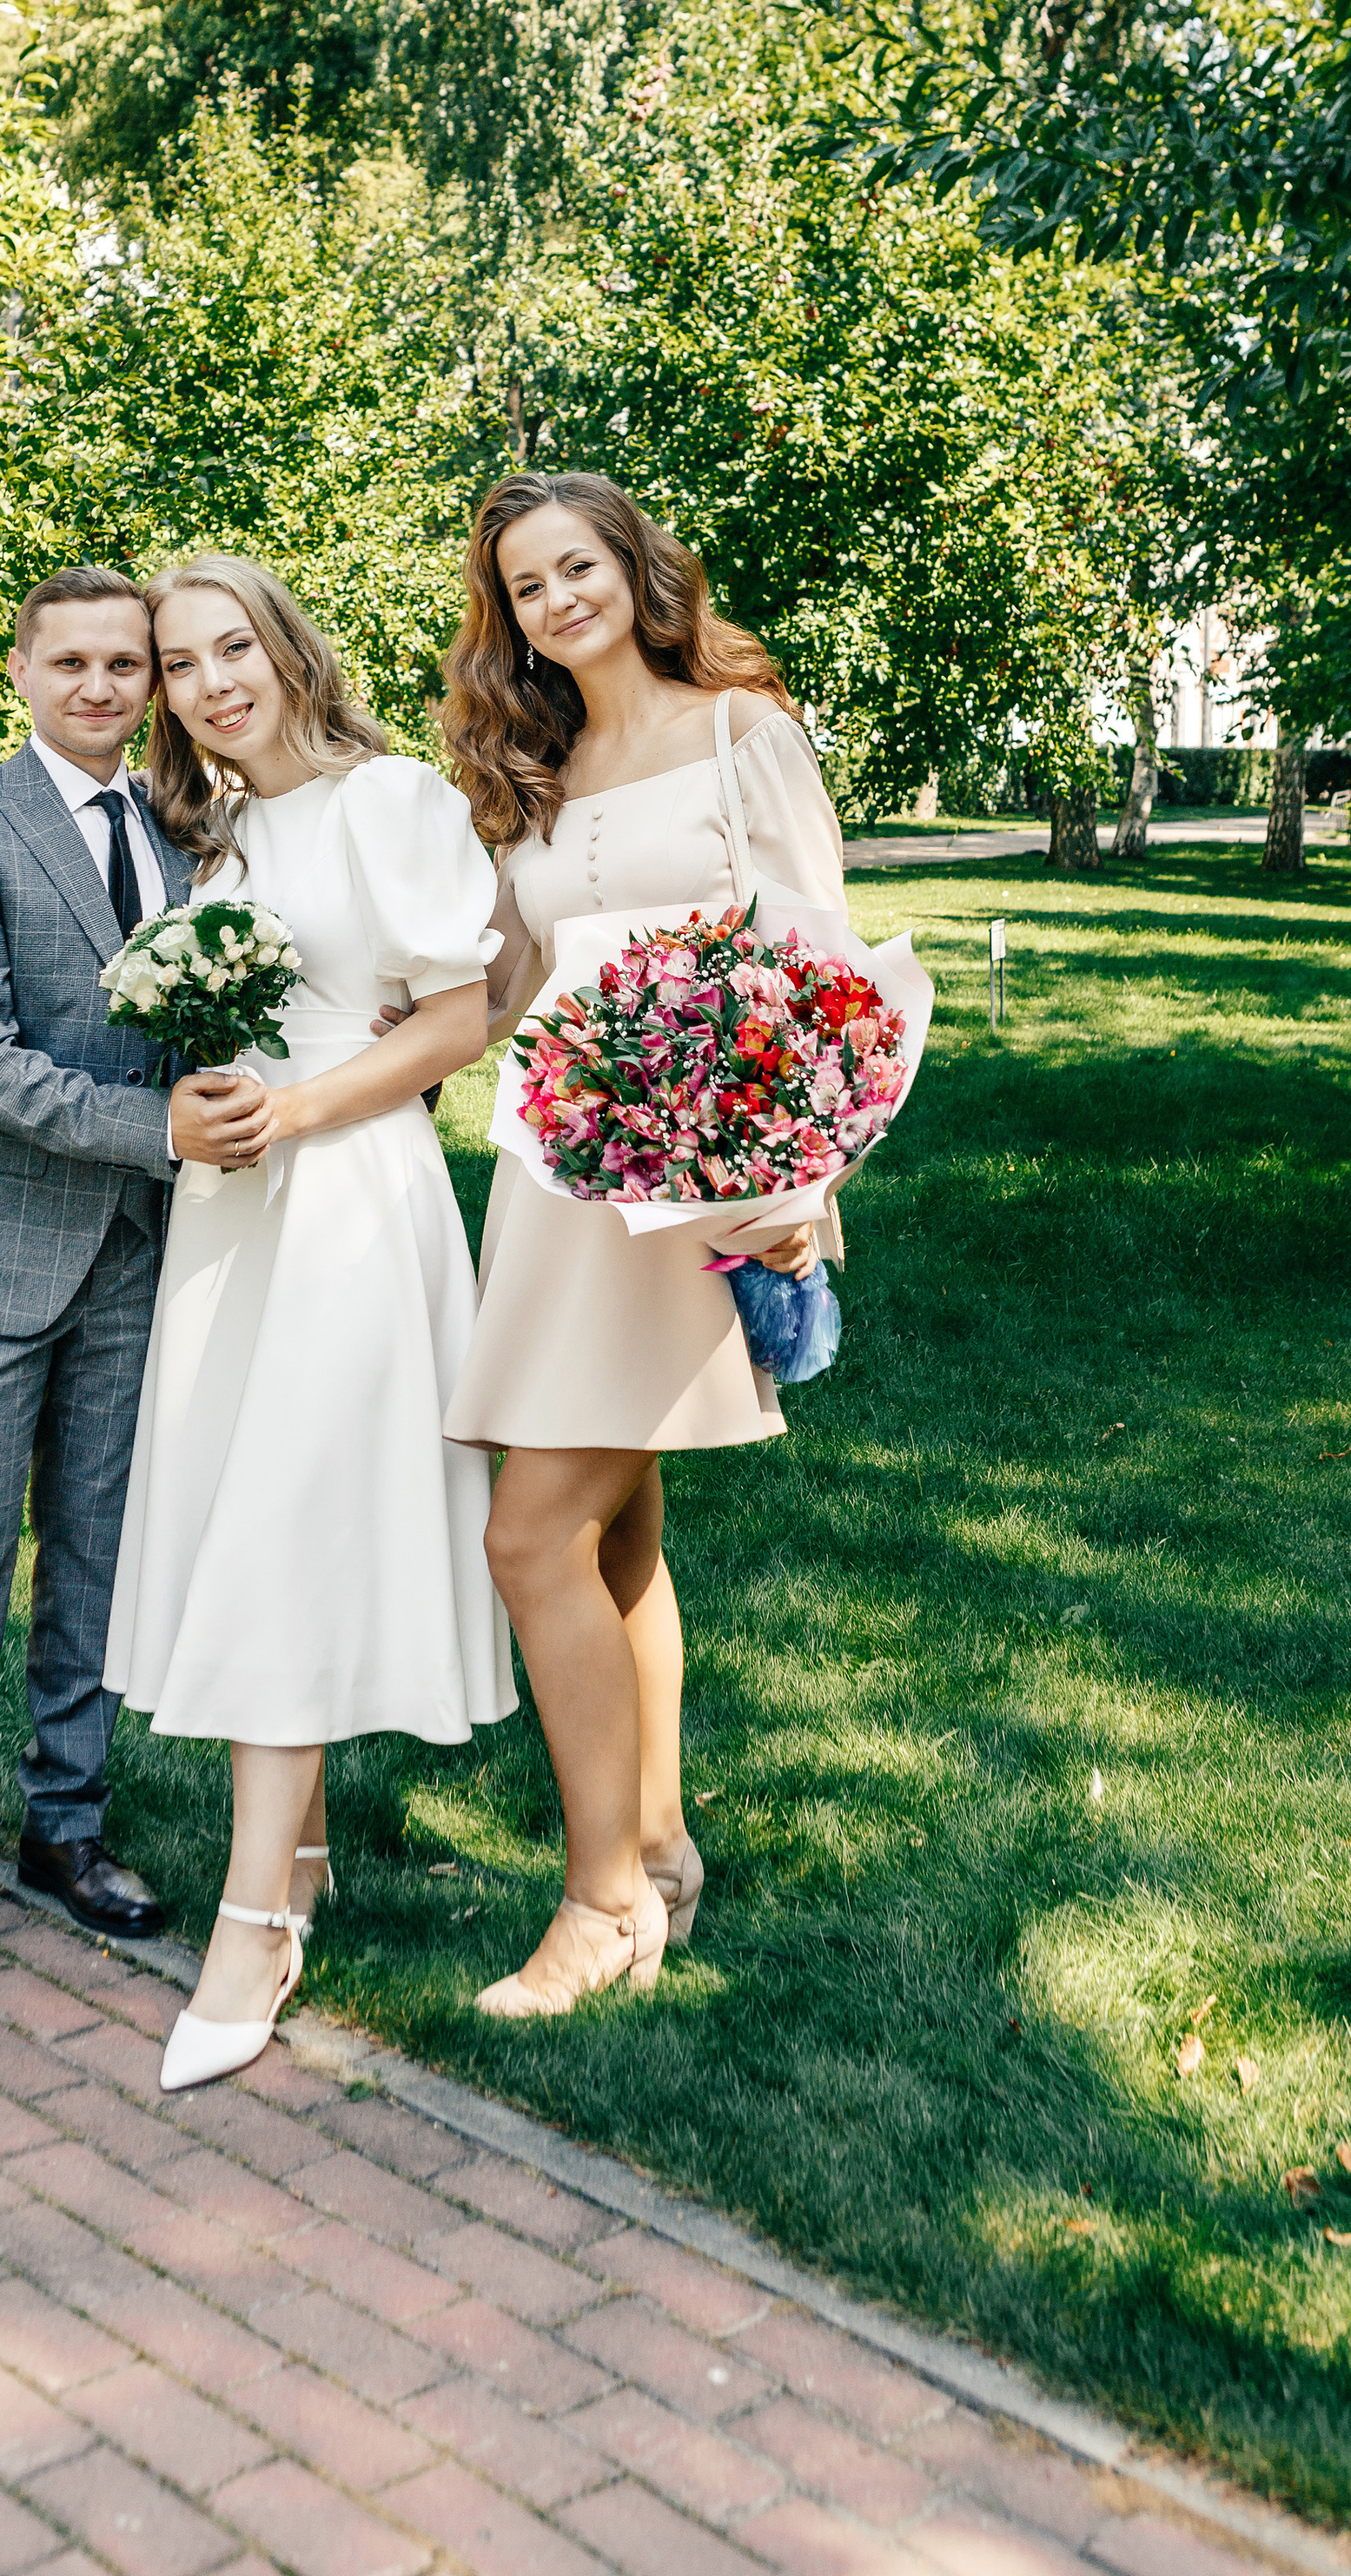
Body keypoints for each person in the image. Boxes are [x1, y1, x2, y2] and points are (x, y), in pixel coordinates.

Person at [103, 554, 515, 2092]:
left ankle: (251, 1923)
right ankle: (313, 1852)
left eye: (231, 650)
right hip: (235, 1208)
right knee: (239, 1514)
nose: (211, 684)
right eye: (179, 663)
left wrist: (292, 1110)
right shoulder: (217, 837)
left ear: (285, 649)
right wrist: (207, 1101)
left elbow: (462, 1018)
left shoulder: (386, 801)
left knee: (278, 1528)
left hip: (344, 1199)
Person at [440, 471, 847, 2018]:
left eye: (576, 567)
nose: (557, 600)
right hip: (554, 1176)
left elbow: (821, 962)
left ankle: (599, 1905)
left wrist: (805, 1180)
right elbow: (493, 988)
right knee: (612, 1534)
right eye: (526, 586)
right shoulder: (536, 770)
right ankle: (659, 1843)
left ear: (634, 568)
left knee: (527, 1536)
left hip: (699, 1178)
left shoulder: (744, 728)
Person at [0, 567, 268, 2036]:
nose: (103, 688)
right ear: (22, 669)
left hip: (134, 1256)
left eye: (127, 666)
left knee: (97, 1554)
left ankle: (68, 1824)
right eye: (75, 663)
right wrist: (154, 1128)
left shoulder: (191, 838)